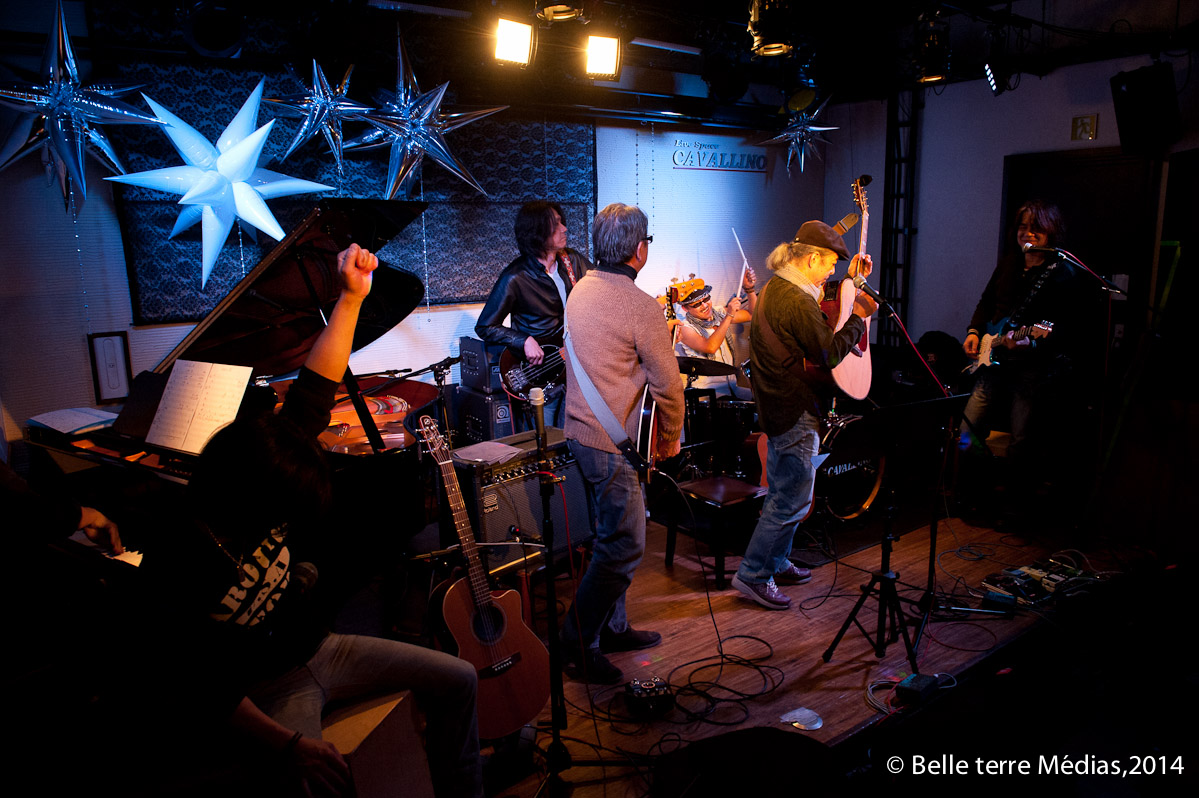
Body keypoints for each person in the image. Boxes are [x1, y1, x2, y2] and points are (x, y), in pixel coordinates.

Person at [146, 244, 482, 798]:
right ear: (246, 501)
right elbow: (200, 685)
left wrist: (350, 297)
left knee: (461, 678)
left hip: (321, 648)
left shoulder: (271, 455)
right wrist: (287, 746)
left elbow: (314, 388)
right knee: (315, 783)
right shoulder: (182, 550)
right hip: (261, 691)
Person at [560, 203, 684, 683]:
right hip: (612, 445)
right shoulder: (640, 306)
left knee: (606, 537)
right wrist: (669, 439)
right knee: (626, 545)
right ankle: (578, 642)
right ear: (639, 250)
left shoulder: (581, 289)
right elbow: (669, 388)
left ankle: (613, 629)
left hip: (579, 434)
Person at [731, 222, 877, 610]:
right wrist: (860, 317)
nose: (830, 273)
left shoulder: (779, 287)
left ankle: (776, 561)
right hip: (794, 410)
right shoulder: (796, 299)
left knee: (787, 492)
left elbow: (820, 313)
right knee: (790, 500)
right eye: (829, 265)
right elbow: (829, 353)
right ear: (811, 259)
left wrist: (852, 280)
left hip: (779, 407)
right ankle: (754, 574)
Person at [958, 199, 1093, 520]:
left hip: (1030, 369)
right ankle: (974, 495)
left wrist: (1030, 343)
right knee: (966, 430)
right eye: (1022, 227)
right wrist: (975, 331)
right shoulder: (1009, 264)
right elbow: (986, 302)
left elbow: (1065, 328)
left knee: (1022, 440)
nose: (1027, 233)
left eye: (1035, 228)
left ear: (1050, 232)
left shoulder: (1062, 273)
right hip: (992, 361)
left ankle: (1014, 508)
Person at [476, 200, 591, 429]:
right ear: (537, 231)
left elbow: (602, 291)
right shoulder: (515, 277)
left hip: (575, 368)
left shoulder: (573, 261)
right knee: (544, 441)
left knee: (575, 437)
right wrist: (524, 340)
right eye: (556, 224)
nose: (564, 229)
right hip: (539, 373)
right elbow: (485, 326)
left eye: (562, 222)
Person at [674, 267, 758, 399]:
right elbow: (710, 347)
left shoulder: (718, 312)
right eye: (697, 304)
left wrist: (749, 289)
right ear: (685, 308)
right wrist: (729, 315)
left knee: (761, 399)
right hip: (708, 393)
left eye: (706, 299)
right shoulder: (685, 327)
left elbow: (752, 315)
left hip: (732, 387)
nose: (705, 306)